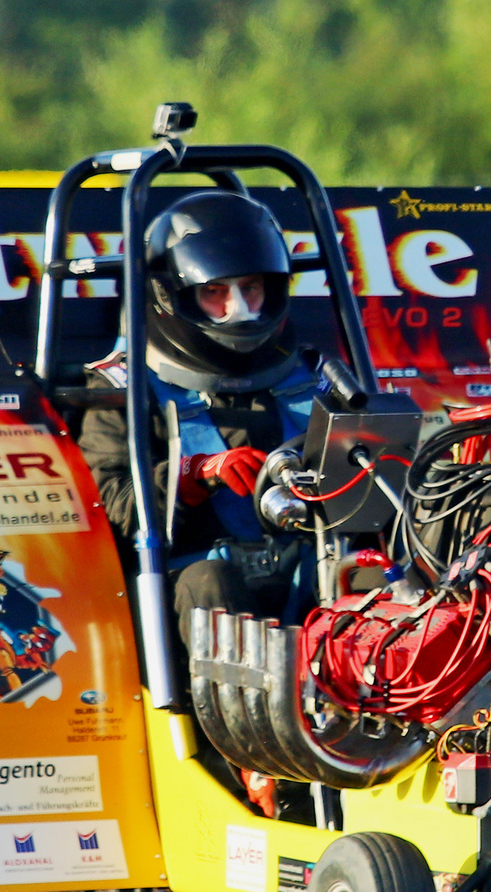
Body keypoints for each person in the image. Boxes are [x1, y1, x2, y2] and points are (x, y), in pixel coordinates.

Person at [79, 189, 318, 650]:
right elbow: (118, 508)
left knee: (367, 566)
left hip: (305, 568)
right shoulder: (121, 386)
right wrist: (199, 473)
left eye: (250, 288)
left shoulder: (311, 374)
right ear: (172, 296)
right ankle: (233, 717)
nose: (239, 310)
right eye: (215, 292)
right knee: (213, 580)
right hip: (187, 581)